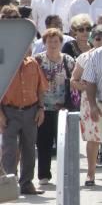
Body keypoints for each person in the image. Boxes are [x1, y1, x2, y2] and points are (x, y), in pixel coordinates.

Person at [0, 41, 48, 196]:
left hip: (31, 111)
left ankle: (26, 183)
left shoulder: (33, 64)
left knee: (29, 149)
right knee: (9, 150)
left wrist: (41, 108)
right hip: (9, 111)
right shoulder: (4, 65)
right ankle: (10, 186)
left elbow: (41, 88)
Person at [33, 28, 75, 186]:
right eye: (49, 41)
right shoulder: (37, 60)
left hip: (63, 108)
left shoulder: (68, 61)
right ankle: (44, 175)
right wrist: (38, 106)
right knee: (43, 142)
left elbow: (75, 81)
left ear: (61, 43)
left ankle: (66, 174)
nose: (52, 44)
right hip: (43, 108)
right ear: (44, 43)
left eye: (56, 41)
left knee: (65, 144)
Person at [71, 24, 102, 186]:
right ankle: (90, 174)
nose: (100, 42)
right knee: (92, 140)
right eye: (98, 39)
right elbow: (73, 80)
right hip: (89, 102)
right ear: (93, 40)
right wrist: (86, 86)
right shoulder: (85, 57)